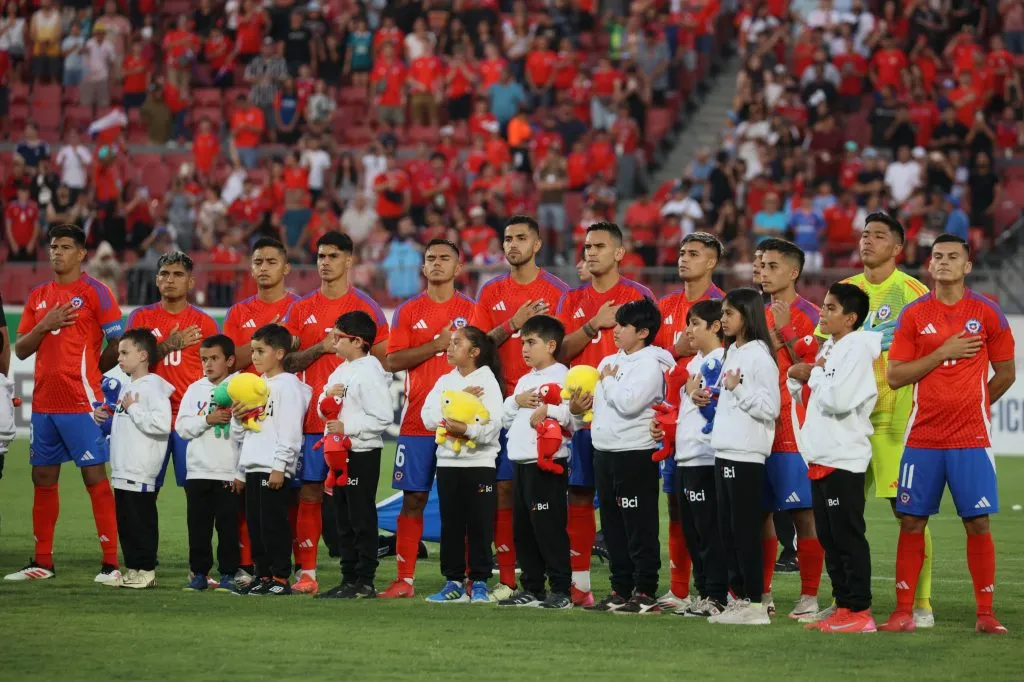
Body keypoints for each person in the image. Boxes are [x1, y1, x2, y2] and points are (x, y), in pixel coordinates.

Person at [880, 235, 1016, 634]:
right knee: (911, 521)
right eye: (937, 257)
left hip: (971, 440)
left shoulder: (987, 313)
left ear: (967, 265)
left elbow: (1006, 372)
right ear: (929, 264)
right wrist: (940, 352)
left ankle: (986, 615)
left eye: (952, 257)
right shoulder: (914, 315)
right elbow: (895, 375)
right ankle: (904, 611)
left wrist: (976, 403)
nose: (943, 263)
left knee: (978, 523)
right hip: (922, 439)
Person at [815, 212, 934, 626]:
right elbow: (821, 347)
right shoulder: (844, 291)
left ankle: (920, 603)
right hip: (847, 424)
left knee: (908, 511)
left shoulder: (914, 292)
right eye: (865, 234)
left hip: (892, 417)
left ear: (898, 247)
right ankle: (845, 599)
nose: (868, 241)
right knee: (836, 514)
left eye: (879, 236)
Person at [6, 225, 123, 584]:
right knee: (42, 477)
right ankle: (42, 561)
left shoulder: (96, 292)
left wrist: (93, 369)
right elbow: (21, 349)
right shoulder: (39, 295)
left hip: (81, 401)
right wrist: (45, 324)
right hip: (43, 403)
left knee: (94, 478)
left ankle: (110, 564)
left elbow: (117, 343)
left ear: (82, 253)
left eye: (65, 247)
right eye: (53, 246)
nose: (57, 252)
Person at [282, 232, 390, 595]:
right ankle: (319, 574)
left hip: (356, 445)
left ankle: (363, 578)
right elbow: (288, 360)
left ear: (348, 260)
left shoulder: (367, 311)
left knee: (356, 511)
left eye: (332, 255)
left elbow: (382, 371)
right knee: (320, 501)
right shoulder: (301, 310)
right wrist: (319, 349)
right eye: (320, 255)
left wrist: (347, 422)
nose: (324, 261)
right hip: (317, 431)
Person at [555, 222, 654, 607]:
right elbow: (560, 350)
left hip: (625, 421)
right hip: (581, 416)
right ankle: (582, 585)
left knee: (628, 504)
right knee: (580, 495)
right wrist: (594, 323)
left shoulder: (638, 295)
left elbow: (650, 355)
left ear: (619, 253)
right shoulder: (572, 298)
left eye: (599, 246)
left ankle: (641, 584)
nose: (590, 252)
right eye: (587, 246)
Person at [471, 215, 569, 599]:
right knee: (506, 496)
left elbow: (559, 344)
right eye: (507, 238)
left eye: (521, 238)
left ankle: (563, 581)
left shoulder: (558, 291)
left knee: (547, 504)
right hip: (506, 403)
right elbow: (479, 345)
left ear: (538, 243)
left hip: (545, 408)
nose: (512, 245)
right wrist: (513, 323)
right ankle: (515, 578)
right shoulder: (491, 291)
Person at [381, 239, 475, 599]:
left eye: (444, 258)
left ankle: (466, 577)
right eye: (430, 258)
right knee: (413, 499)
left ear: (458, 267)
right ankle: (404, 579)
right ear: (422, 268)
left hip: (460, 423)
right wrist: (437, 345)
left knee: (459, 501)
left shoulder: (473, 310)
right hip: (417, 424)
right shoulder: (407, 311)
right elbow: (393, 361)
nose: (436, 263)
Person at [572, 299, 674, 614]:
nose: (614, 331)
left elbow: (629, 404)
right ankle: (621, 588)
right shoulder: (608, 362)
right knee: (613, 526)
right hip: (604, 451)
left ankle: (645, 590)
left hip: (635, 453)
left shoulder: (651, 363)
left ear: (643, 332)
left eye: (622, 326)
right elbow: (598, 408)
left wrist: (608, 380)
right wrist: (578, 412)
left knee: (638, 524)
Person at [788, 283, 880, 633]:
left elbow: (839, 399)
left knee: (847, 536)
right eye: (823, 306)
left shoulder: (856, 348)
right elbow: (814, 393)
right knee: (829, 536)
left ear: (851, 318)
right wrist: (807, 376)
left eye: (830, 308)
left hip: (844, 456)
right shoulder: (833, 346)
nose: (822, 313)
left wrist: (812, 372)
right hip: (822, 454)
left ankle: (859, 611)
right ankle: (843, 606)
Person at [653, 231, 725, 611]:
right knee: (677, 505)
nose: (684, 259)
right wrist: (673, 350)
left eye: (694, 254)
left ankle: (734, 590)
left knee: (713, 513)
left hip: (707, 428)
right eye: (681, 252)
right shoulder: (664, 304)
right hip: (675, 426)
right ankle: (681, 589)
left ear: (711, 262)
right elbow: (654, 360)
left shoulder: (723, 310)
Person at [758, 238, 825, 619]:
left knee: (804, 514)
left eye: (773, 266)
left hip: (796, 429)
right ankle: (763, 593)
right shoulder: (754, 315)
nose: (765, 273)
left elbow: (818, 372)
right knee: (760, 513)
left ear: (794, 271)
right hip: (759, 426)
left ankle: (810, 597)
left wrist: (784, 332)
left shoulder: (814, 316)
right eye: (762, 266)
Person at [708, 288, 780, 626]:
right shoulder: (733, 352)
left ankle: (754, 603)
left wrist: (738, 389)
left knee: (744, 530)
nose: (723, 319)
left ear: (747, 316)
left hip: (746, 454)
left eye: (729, 313)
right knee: (728, 531)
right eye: (722, 313)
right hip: (725, 451)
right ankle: (740, 600)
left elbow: (771, 408)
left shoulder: (759, 356)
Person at [421, 326, 505, 603]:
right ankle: (453, 581)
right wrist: (459, 401)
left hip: (480, 464)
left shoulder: (488, 382)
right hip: (447, 464)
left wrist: (465, 429)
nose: (449, 346)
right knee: (451, 524)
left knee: (480, 524)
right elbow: (427, 416)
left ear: (475, 352)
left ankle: (479, 581)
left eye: (457, 343)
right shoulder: (445, 380)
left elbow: (492, 426)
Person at [315, 312, 394, 600]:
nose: (332, 340)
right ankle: (348, 578)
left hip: (361, 453)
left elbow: (383, 417)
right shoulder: (340, 371)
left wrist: (348, 427)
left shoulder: (369, 371)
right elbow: (323, 411)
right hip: (337, 453)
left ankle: (364, 580)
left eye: (338, 336)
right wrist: (325, 403)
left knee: (360, 516)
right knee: (343, 518)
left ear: (358, 341)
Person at [125, 251, 220, 489]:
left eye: (178, 274)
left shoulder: (205, 323)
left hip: (188, 417)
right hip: (148, 415)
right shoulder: (140, 317)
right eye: (165, 274)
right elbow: (129, 367)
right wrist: (169, 344)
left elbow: (217, 371)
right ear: (157, 279)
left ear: (190, 282)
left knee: (196, 490)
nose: (170, 279)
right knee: (143, 490)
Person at [498, 315, 574, 608]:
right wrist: (516, 401)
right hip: (519, 462)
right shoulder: (525, 380)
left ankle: (561, 590)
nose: (524, 349)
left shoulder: (564, 375)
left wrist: (549, 410)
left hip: (548, 463)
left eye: (531, 342)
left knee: (549, 528)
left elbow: (573, 419)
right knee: (524, 530)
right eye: (522, 343)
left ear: (551, 345)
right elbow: (505, 418)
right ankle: (533, 588)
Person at [233, 324, 312, 596]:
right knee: (256, 525)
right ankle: (263, 575)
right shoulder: (258, 385)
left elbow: (290, 430)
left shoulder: (287, 386)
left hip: (272, 467)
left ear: (279, 353)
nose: (254, 356)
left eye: (260, 351)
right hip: (254, 464)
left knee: (273, 524)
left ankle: (280, 577)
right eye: (253, 351)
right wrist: (237, 419)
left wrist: (280, 466)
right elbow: (243, 432)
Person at [96, 329, 173, 589]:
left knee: (141, 520)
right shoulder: (131, 386)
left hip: (140, 467)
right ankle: (133, 569)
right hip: (123, 467)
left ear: (142, 355)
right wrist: (105, 420)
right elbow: (126, 425)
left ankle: (147, 570)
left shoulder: (153, 387)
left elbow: (162, 424)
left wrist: (134, 408)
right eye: (119, 353)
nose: (119, 358)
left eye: (125, 353)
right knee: (127, 522)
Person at [175, 335, 245, 593]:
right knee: (198, 527)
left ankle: (228, 574)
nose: (208, 364)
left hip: (228, 470)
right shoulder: (195, 389)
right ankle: (199, 575)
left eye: (214, 358)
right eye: (204, 359)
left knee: (228, 527)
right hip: (198, 470)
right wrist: (208, 419)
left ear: (229, 360)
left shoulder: (241, 387)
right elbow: (181, 427)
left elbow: (249, 428)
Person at [223, 237, 299, 374]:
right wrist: (265, 337)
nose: (263, 268)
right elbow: (228, 365)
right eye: (258, 263)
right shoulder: (237, 312)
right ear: (252, 270)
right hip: (246, 394)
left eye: (271, 262)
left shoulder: (301, 308)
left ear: (286, 268)